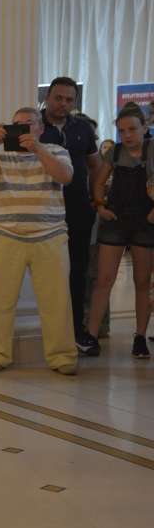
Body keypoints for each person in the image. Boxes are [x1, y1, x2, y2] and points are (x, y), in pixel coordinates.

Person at [0, 107, 76, 375]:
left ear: (40, 128)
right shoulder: (1, 155)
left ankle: (62, 356)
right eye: (17, 124)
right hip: (7, 236)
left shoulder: (57, 151)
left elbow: (65, 176)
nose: (23, 128)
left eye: (29, 123)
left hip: (50, 235)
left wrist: (38, 149)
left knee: (57, 302)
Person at [77, 107, 153, 359]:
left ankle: (140, 337)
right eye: (122, 131)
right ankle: (91, 336)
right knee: (103, 279)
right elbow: (98, 182)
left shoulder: (152, 150)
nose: (127, 135)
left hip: (145, 222)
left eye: (132, 129)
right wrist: (100, 206)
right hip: (116, 220)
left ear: (144, 128)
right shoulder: (114, 152)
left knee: (142, 281)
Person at [38, 77, 100, 351]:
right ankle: (43, 333)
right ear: (47, 98)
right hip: (42, 212)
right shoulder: (35, 127)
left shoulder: (83, 128)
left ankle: (75, 331)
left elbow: (96, 165)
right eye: (58, 98)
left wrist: (96, 199)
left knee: (77, 271)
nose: (63, 104)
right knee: (45, 274)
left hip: (78, 211)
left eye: (69, 100)